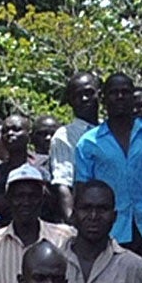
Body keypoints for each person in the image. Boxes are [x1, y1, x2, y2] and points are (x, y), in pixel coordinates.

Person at [75, 72, 142, 250]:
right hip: (109, 230)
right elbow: (82, 192)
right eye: (114, 92)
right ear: (104, 98)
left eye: (125, 92)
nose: (120, 97)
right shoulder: (88, 142)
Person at [51, 71, 103, 219]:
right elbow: (63, 184)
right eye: (77, 95)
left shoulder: (111, 129)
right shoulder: (64, 136)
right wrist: (72, 222)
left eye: (89, 93)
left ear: (99, 94)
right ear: (70, 101)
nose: (84, 99)